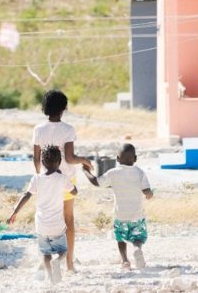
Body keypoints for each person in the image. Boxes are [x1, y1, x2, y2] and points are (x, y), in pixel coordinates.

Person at [31, 89, 93, 272]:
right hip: (65, 179)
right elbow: (70, 158)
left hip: (45, 180)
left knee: (47, 218)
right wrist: (85, 160)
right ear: (63, 109)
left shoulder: (38, 129)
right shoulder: (68, 130)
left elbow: (36, 158)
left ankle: (46, 259)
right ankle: (69, 263)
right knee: (68, 220)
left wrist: (40, 176)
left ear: (45, 107)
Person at [9, 145, 77, 284]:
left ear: (43, 162)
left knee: (45, 253)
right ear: (59, 162)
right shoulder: (62, 178)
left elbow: (26, 195)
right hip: (57, 225)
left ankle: (51, 278)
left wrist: (15, 212)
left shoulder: (36, 179)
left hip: (41, 225)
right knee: (63, 250)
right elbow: (74, 192)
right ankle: (57, 261)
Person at [82, 144, 154, 270]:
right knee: (138, 237)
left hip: (120, 215)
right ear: (135, 159)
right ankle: (137, 249)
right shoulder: (139, 173)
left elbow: (96, 182)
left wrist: (86, 171)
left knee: (121, 239)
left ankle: (125, 261)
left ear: (117, 159)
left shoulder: (113, 173)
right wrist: (149, 194)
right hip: (137, 215)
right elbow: (147, 191)